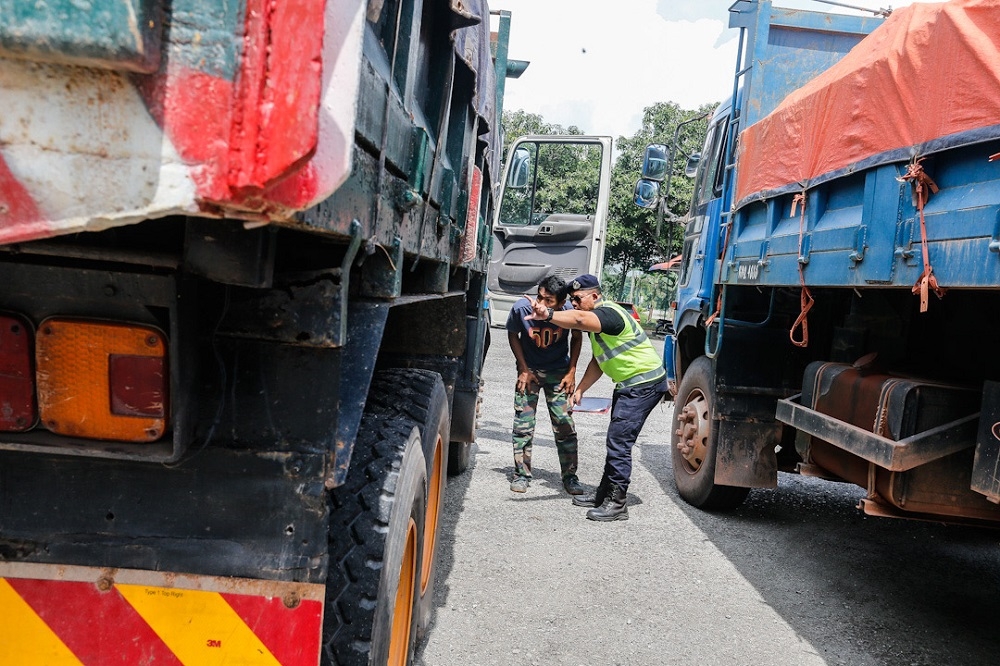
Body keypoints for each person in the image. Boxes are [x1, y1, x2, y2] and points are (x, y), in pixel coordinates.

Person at [525, 274, 666, 521]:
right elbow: (599, 361)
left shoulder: (608, 314)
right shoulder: (599, 324)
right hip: (630, 386)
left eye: (578, 299)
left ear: (595, 295)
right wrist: (580, 389)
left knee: (619, 444)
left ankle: (617, 504)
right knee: (616, 442)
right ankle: (604, 495)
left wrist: (547, 315)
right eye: (572, 300)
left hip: (643, 385)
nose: (575, 304)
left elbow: (578, 319)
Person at [506, 275, 584, 495]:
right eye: (539, 297)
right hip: (529, 371)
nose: (540, 304)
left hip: (558, 372)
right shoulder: (521, 308)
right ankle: (521, 474)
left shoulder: (569, 310)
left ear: (560, 303)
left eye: (548, 300)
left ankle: (570, 477)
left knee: (564, 424)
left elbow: (577, 337)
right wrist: (523, 368)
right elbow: (513, 335)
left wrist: (572, 371)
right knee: (523, 424)